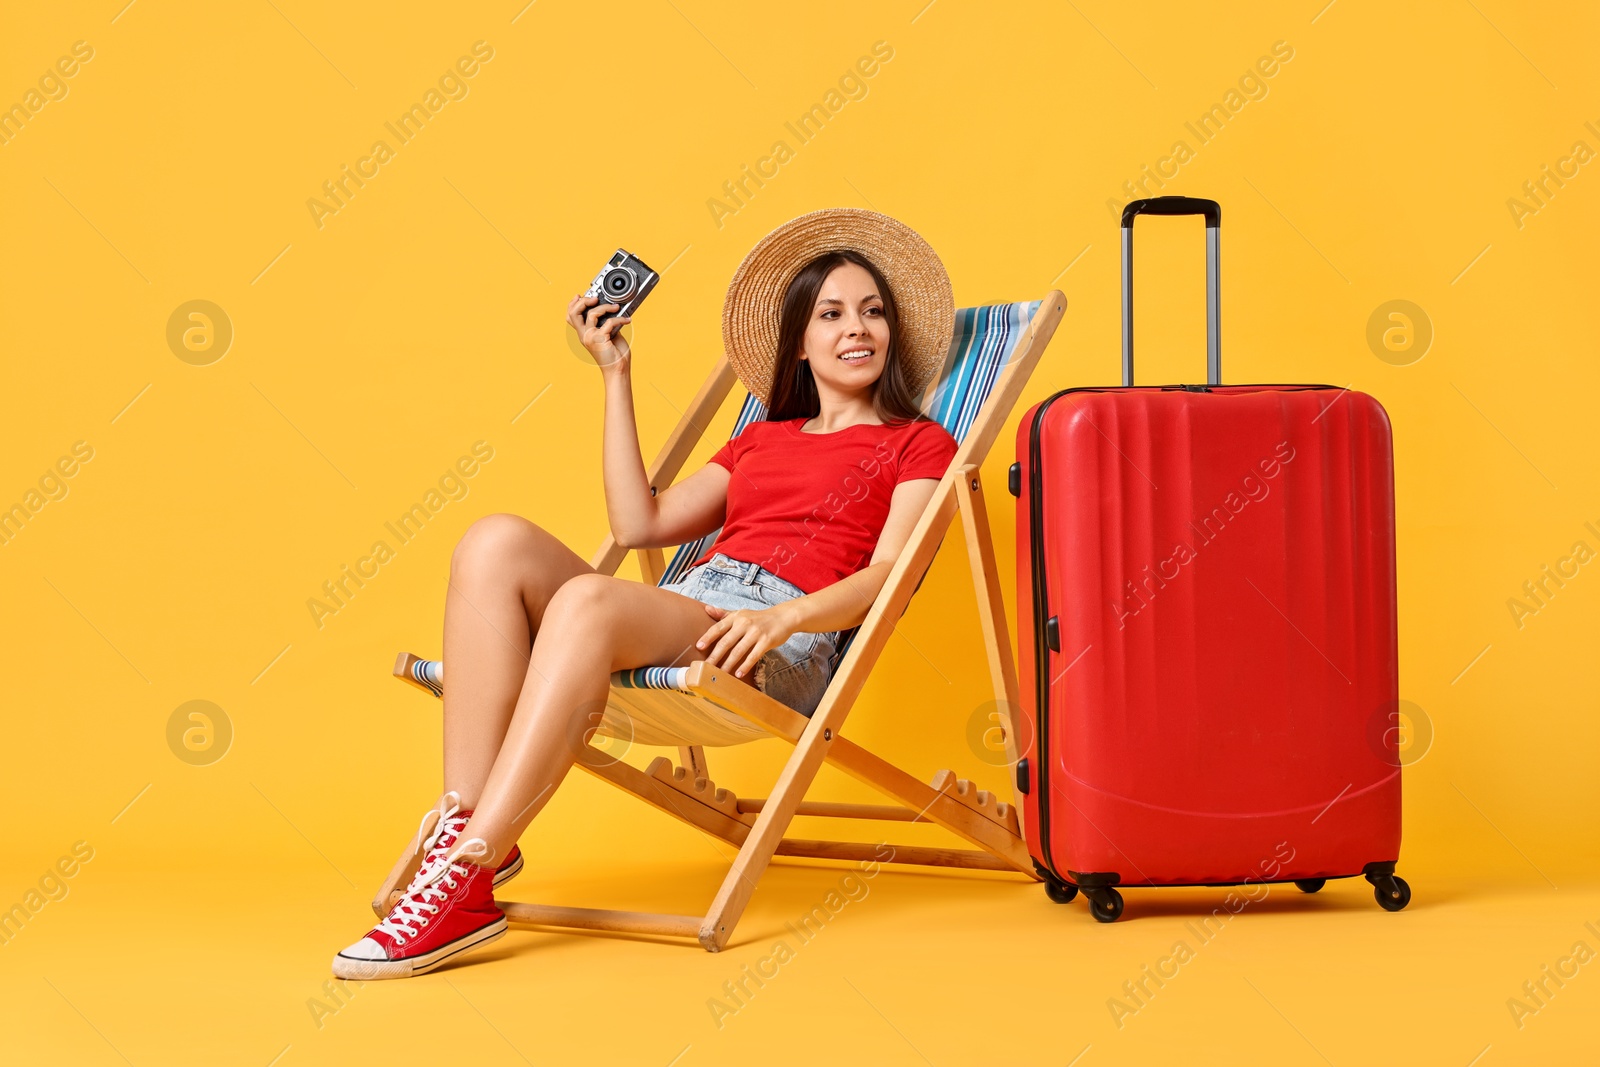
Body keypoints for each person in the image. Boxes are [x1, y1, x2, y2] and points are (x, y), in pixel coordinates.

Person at [332, 208, 960, 980]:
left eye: (873, 311)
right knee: (491, 540)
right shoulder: (761, 437)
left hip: (775, 637)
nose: (856, 328)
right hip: (692, 605)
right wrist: (614, 372)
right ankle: (468, 832)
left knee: (586, 603)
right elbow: (640, 522)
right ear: (800, 340)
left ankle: (468, 870)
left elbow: (887, 574)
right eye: (831, 313)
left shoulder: (918, 441)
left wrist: (783, 615)